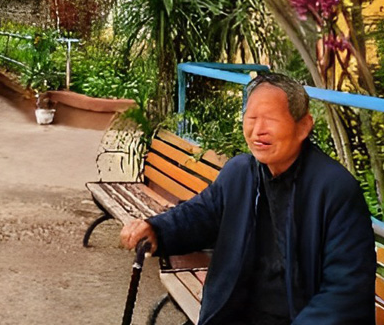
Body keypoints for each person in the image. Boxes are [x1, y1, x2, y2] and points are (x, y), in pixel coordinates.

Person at [120, 73, 375, 325]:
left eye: (271, 119)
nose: (258, 130)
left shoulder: (334, 189)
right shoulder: (240, 173)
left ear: (303, 127)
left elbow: (345, 291)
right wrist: (157, 229)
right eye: (251, 118)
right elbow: (200, 214)